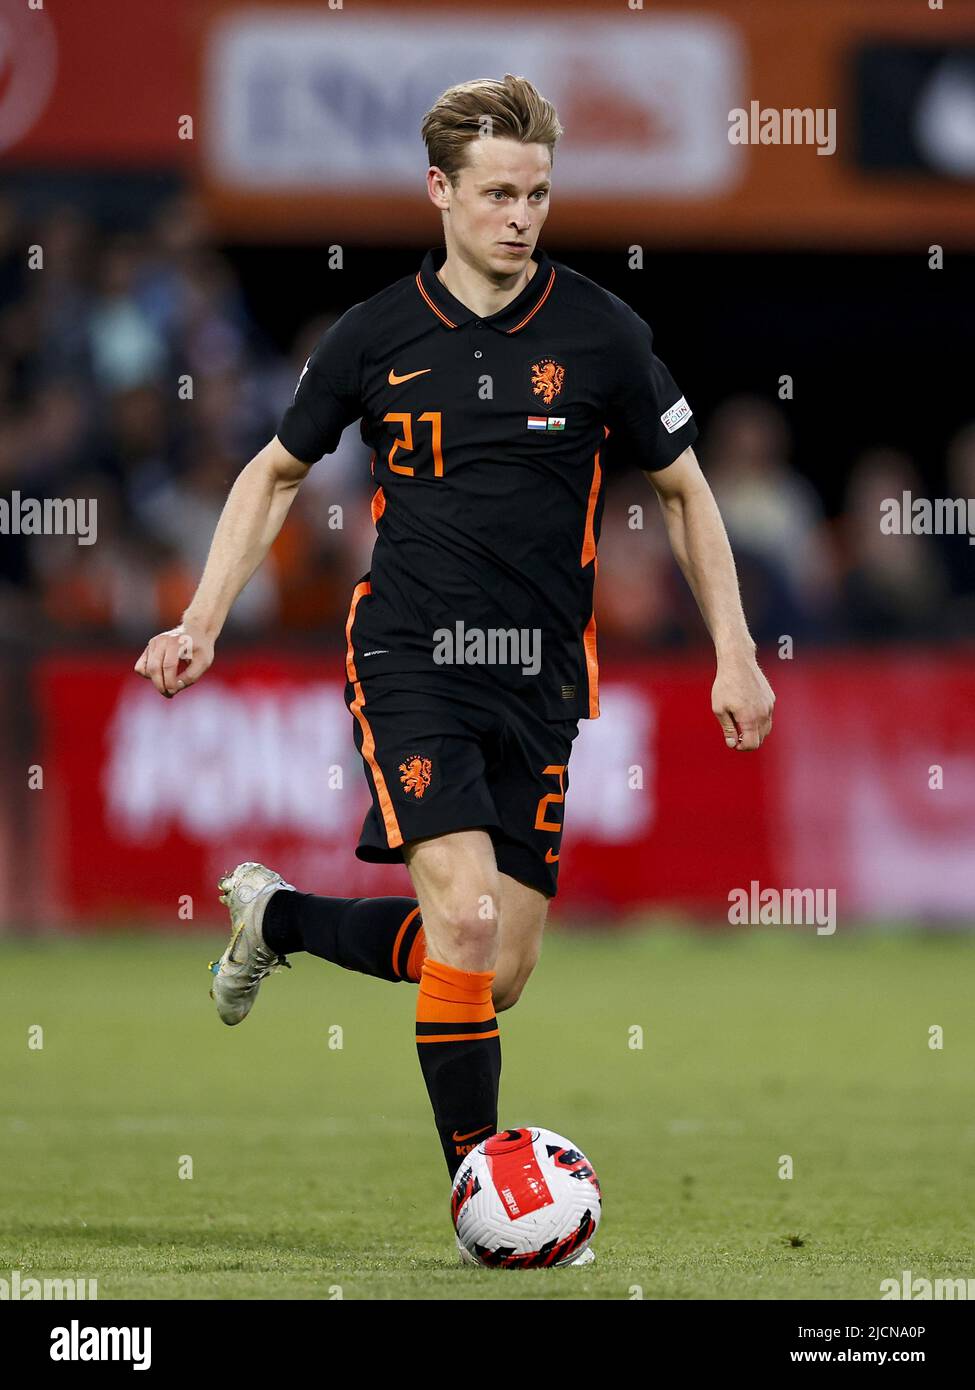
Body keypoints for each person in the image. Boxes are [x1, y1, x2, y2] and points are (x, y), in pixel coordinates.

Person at [134, 74, 774, 1262]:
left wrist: (735, 651)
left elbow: (685, 492)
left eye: (537, 193)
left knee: (492, 963)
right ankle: (501, 1216)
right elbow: (273, 472)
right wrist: (202, 618)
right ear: (440, 191)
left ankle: (274, 917)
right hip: (410, 656)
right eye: (495, 194)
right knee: (468, 918)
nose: (520, 216)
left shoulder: (602, 333)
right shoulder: (375, 336)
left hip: (541, 681)